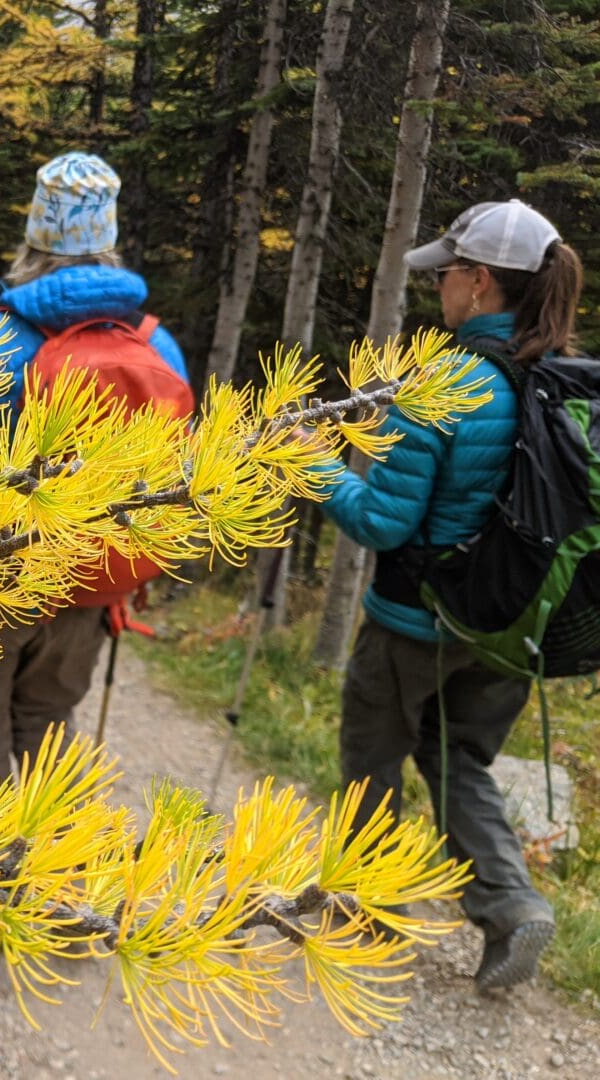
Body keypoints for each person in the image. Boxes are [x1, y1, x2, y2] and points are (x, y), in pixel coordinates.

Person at [309, 199, 585, 989]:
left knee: (373, 757)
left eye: (450, 274)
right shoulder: (564, 380)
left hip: (413, 623)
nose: (441, 289)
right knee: (458, 756)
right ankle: (511, 906)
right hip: (510, 628)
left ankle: (364, 917)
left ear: (483, 283)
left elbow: (384, 523)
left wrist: (312, 467)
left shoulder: (447, 385)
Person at [0, 151, 188, 783]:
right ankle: (60, 871)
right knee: (49, 722)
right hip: (92, 583)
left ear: (34, 235)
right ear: (111, 240)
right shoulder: (157, 344)